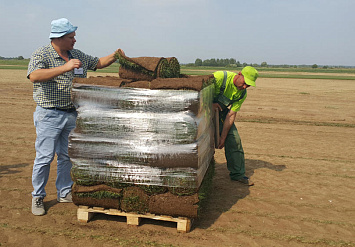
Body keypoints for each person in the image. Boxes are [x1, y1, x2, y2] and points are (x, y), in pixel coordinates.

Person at [27, 18, 124, 216]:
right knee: (45, 158)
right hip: (49, 114)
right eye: (71, 37)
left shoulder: (76, 55)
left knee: (66, 156)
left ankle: (64, 192)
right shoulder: (42, 53)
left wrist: (115, 56)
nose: (74, 40)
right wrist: (65, 67)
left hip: (71, 114)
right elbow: (34, 76)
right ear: (59, 38)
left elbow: (97, 63)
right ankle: (38, 196)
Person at [213, 66, 258, 186]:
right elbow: (199, 94)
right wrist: (208, 104)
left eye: (248, 86)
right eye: (244, 83)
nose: (244, 87)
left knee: (234, 140)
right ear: (239, 74)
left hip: (221, 114)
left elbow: (231, 115)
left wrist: (223, 137)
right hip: (203, 111)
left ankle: (237, 174)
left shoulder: (242, 94)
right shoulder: (220, 77)